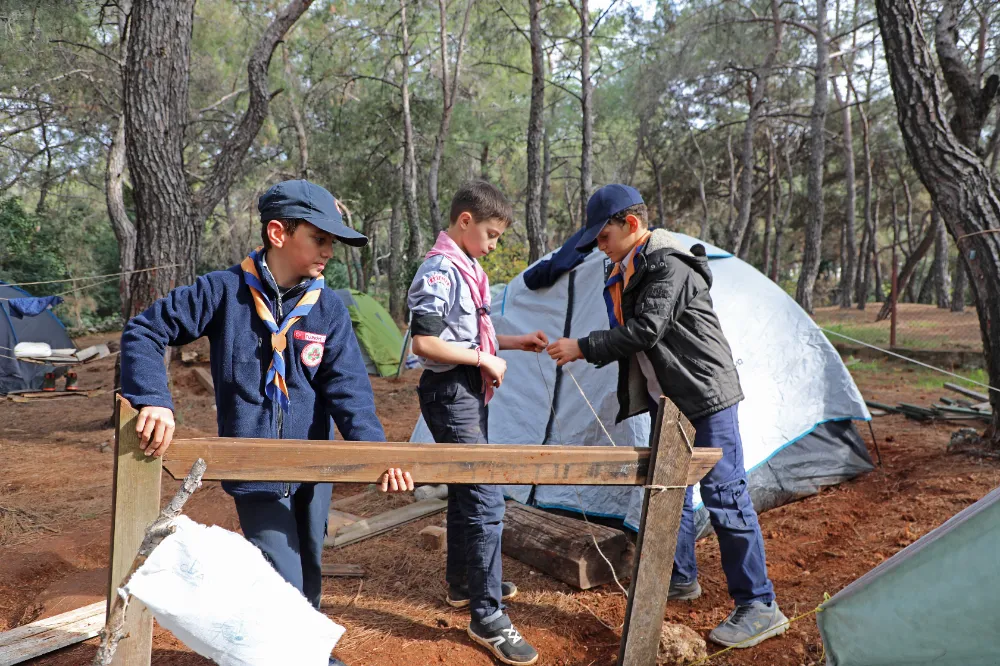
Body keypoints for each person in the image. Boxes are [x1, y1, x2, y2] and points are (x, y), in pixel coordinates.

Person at [120, 179, 412, 666]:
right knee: (281, 568)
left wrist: (377, 453)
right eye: (319, 239)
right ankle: (293, 656)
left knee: (311, 565)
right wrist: (154, 398)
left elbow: (350, 392)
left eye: (332, 243)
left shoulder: (329, 308)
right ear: (278, 232)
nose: (329, 253)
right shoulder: (223, 293)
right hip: (255, 472)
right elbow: (146, 329)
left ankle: (303, 652)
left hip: (314, 471)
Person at [546, 184, 788, 648]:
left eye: (603, 237)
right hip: (671, 399)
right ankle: (678, 577)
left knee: (725, 494)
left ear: (631, 226)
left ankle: (759, 605)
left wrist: (582, 347)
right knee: (667, 487)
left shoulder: (667, 264)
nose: (599, 248)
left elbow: (645, 329)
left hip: (705, 396)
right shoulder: (624, 267)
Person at [407, 180, 548, 666]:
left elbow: (467, 333)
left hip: (465, 391)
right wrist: (484, 361)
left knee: (468, 490)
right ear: (464, 221)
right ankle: (488, 615)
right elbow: (424, 345)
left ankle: (464, 583)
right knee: (486, 497)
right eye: (490, 234)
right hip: (451, 394)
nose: (492, 245)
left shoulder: (466, 268)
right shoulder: (440, 271)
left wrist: (512, 343)